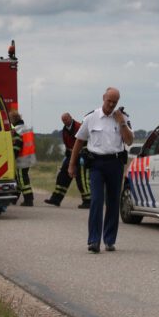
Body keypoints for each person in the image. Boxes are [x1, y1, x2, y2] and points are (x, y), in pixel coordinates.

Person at [69, 87, 133, 253]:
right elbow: (78, 142)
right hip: (97, 164)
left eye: (114, 102)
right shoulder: (91, 117)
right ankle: (94, 241)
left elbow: (130, 141)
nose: (111, 104)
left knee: (113, 203)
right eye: (109, 100)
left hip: (115, 164)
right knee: (96, 201)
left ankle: (109, 240)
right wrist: (72, 164)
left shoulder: (123, 118)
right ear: (103, 98)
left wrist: (122, 122)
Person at [45, 112, 91, 208]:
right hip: (71, 155)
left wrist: (84, 156)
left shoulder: (79, 126)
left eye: (66, 119)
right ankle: (56, 199)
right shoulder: (64, 130)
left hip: (82, 155)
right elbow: (67, 146)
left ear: (70, 117)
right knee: (62, 176)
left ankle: (88, 201)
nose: (65, 122)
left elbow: (85, 141)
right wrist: (67, 157)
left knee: (81, 179)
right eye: (63, 120)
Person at [9, 110, 36, 206]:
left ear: (13, 119)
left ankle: (29, 200)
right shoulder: (27, 128)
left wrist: (12, 157)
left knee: (22, 179)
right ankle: (13, 198)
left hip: (21, 158)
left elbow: (16, 146)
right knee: (19, 179)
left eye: (10, 119)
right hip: (28, 157)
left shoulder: (16, 130)